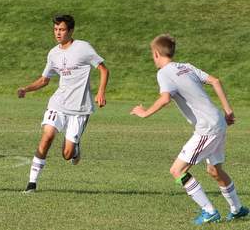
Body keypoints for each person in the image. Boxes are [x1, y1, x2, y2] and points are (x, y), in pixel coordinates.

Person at [130, 34, 248, 225]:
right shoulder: (186, 66)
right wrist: (227, 110)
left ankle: (209, 211)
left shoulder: (164, 73)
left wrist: (144, 113)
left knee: (177, 170)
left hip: (206, 129)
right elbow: (215, 81)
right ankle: (237, 209)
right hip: (218, 121)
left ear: (156, 53)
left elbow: (165, 98)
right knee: (214, 171)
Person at [18, 14, 109, 193]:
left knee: (67, 155)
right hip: (58, 104)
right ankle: (31, 184)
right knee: (47, 137)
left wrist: (100, 92)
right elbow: (44, 80)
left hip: (80, 108)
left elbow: (104, 70)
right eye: (55, 29)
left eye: (62, 29)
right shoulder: (53, 53)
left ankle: (75, 149)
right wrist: (26, 89)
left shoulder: (83, 48)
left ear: (71, 31)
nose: (58, 33)